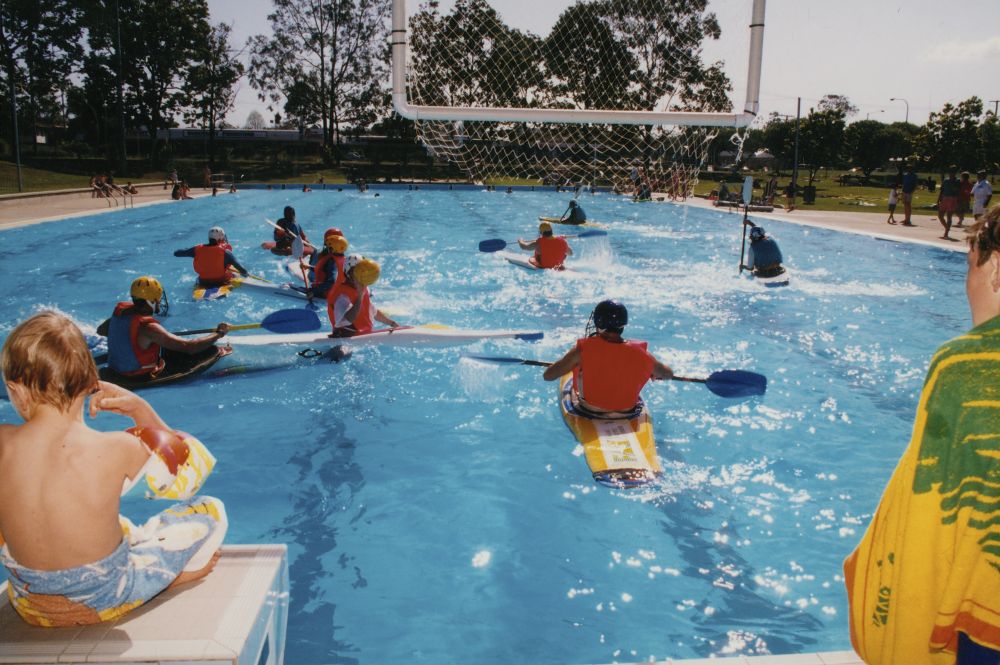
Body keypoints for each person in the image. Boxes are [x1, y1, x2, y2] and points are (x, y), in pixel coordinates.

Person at [844, 204, 1000, 665]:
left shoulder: (965, 365)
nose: (967, 283)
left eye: (971, 265)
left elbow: (928, 504)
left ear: (996, 270)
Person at [0, 311, 227, 627]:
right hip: (105, 598)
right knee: (208, 510)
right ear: (92, 384)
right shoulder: (115, 448)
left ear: (17, 390)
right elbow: (188, 474)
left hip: (30, 602)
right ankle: (166, 580)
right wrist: (139, 408)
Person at [541, 300, 673, 414]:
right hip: (627, 412)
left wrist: (570, 363)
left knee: (579, 369)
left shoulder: (581, 350)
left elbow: (548, 376)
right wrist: (650, 371)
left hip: (590, 410)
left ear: (599, 324)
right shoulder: (643, 354)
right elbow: (668, 374)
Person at [98, 276, 230, 380]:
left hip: (116, 368)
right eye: (158, 299)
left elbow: (102, 330)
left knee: (164, 346)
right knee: (208, 350)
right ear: (150, 301)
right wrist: (219, 333)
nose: (160, 302)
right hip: (137, 375)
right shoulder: (149, 327)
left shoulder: (120, 313)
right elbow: (190, 347)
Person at [326, 255, 399, 337]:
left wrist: (391, 323)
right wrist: (360, 297)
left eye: (362, 271)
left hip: (363, 335)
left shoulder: (363, 288)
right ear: (348, 272)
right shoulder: (342, 294)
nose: (360, 274)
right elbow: (347, 319)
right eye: (357, 271)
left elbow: (372, 310)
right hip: (345, 337)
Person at [173, 227, 248, 287]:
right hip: (221, 282)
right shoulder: (226, 252)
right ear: (220, 238)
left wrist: (187, 250)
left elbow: (176, 253)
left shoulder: (197, 250)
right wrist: (245, 274)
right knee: (235, 274)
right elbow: (242, 270)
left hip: (203, 282)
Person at [309, 228, 348, 299]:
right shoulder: (343, 258)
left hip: (327, 294)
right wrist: (309, 267)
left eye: (329, 245)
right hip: (340, 292)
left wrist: (313, 291)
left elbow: (332, 282)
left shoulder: (332, 260)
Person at [937, 166, 960, 240]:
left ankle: (946, 232)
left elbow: (957, 190)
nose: (951, 173)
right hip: (945, 198)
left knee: (949, 216)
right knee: (940, 215)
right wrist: (939, 198)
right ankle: (947, 227)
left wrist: (953, 184)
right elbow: (942, 190)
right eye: (950, 171)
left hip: (952, 198)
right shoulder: (946, 180)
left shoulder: (957, 180)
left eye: (953, 171)